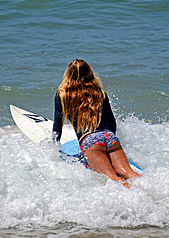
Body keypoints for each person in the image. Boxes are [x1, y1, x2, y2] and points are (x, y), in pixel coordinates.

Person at [53, 59, 140, 187]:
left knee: (114, 179)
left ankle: (139, 202)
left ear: (68, 75)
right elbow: (111, 122)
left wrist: (53, 148)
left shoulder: (62, 95)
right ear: (89, 73)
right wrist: (108, 144)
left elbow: (57, 127)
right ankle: (155, 190)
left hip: (90, 141)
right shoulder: (99, 92)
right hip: (109, 137)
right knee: (129, 173)